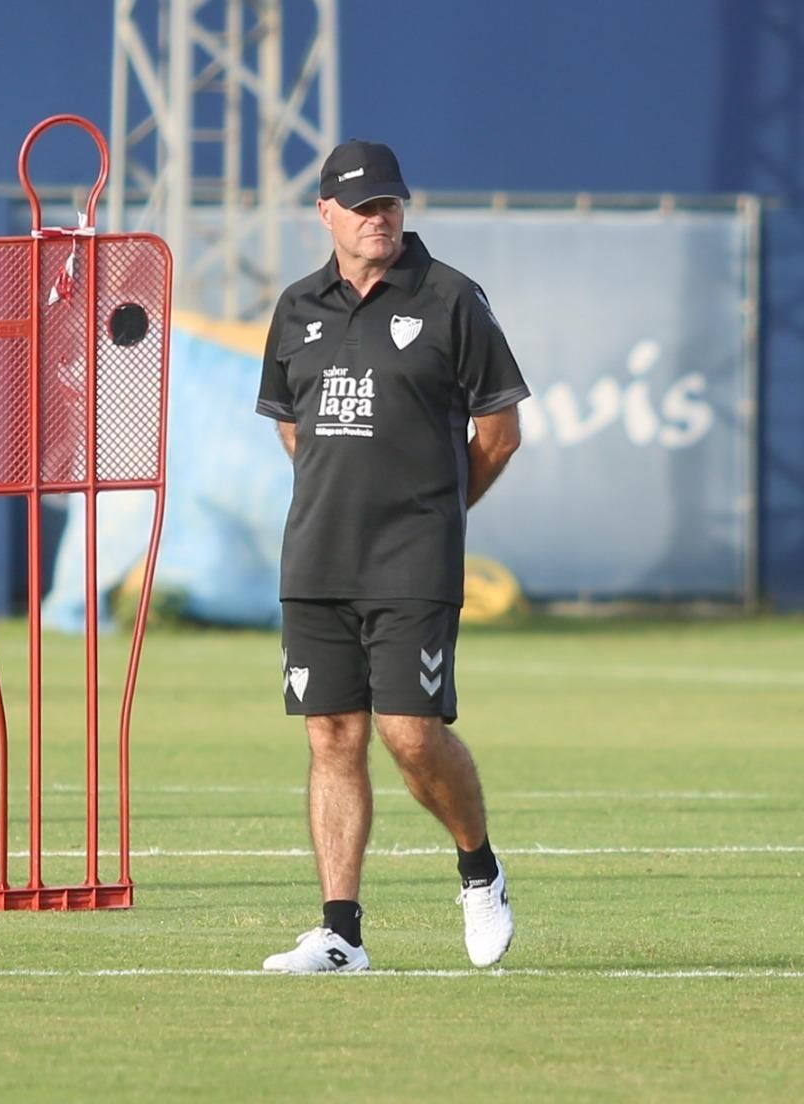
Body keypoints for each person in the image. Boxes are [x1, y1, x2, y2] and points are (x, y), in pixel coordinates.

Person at [255, 140, 527, 972]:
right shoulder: (298, 306)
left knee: (410, 735)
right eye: (364, 206)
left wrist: (438, 514)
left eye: (392, 204)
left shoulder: (451, 298)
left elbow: (500, 432)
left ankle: (479, 872)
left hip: (414, 559)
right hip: (317, 560)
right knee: (332, 736)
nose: (381, 218)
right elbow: (290, 423)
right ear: (327, 213)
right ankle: (341, 932)